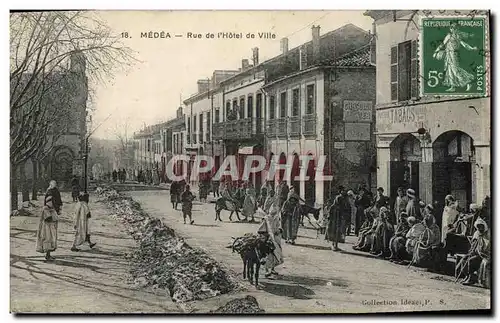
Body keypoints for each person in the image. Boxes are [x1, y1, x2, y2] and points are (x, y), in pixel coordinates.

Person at [433, 22, 478, 92]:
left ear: (457, 29)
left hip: (454, 54)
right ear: (451, 29)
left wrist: (471, 48)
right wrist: (436, 51)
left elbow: (464, 44)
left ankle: (468, 82)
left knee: (455, 70)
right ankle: (452, 86)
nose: (453, 29)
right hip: (448, 54)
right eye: (452, 28)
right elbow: (443, 44)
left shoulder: (458, 36)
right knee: (449, 70)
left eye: (455, 28)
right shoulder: (449, 36)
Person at [455, 218, 490, 286]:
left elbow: (486, 247)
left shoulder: (488, 235)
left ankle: (471, 278)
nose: (480, 228)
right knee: (464, 259)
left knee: (471, 261)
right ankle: (467, 276)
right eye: (478, 226)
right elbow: (473, 244)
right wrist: (471, 251)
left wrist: (480, 248)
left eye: (481, 226)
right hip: (475, 252)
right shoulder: (476, 233)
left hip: (483, 254)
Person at [36, 180, 62, 261]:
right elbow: (48, 217)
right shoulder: (47, 206)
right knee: (48, 237)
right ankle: (47, 255)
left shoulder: (51, 207)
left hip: (51, 224)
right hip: (47, 226)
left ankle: (48, 254)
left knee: (51, 237)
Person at [256, 206, 284, 278]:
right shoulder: (266, 218)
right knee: (268, 255)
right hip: (268, 239)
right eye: (272, 211)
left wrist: (279, 230)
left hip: (276, 238)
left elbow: (279, 227)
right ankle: (266, 270)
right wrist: (266, 235)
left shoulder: (277, 218)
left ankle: (272, 269)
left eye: (275, 212)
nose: (273, 213)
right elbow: (261, 229)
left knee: (276, 254)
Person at [325, 186, 351, 251]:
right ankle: (334, 245)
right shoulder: (339, 197)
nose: (343, 191)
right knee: (335, 230)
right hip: (336, 216)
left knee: (339, 231)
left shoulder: (344, 198)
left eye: (344, 190)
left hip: (340, 216)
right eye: (342, 190)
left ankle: (336, 245)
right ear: (340, 191)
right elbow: (335, 206)